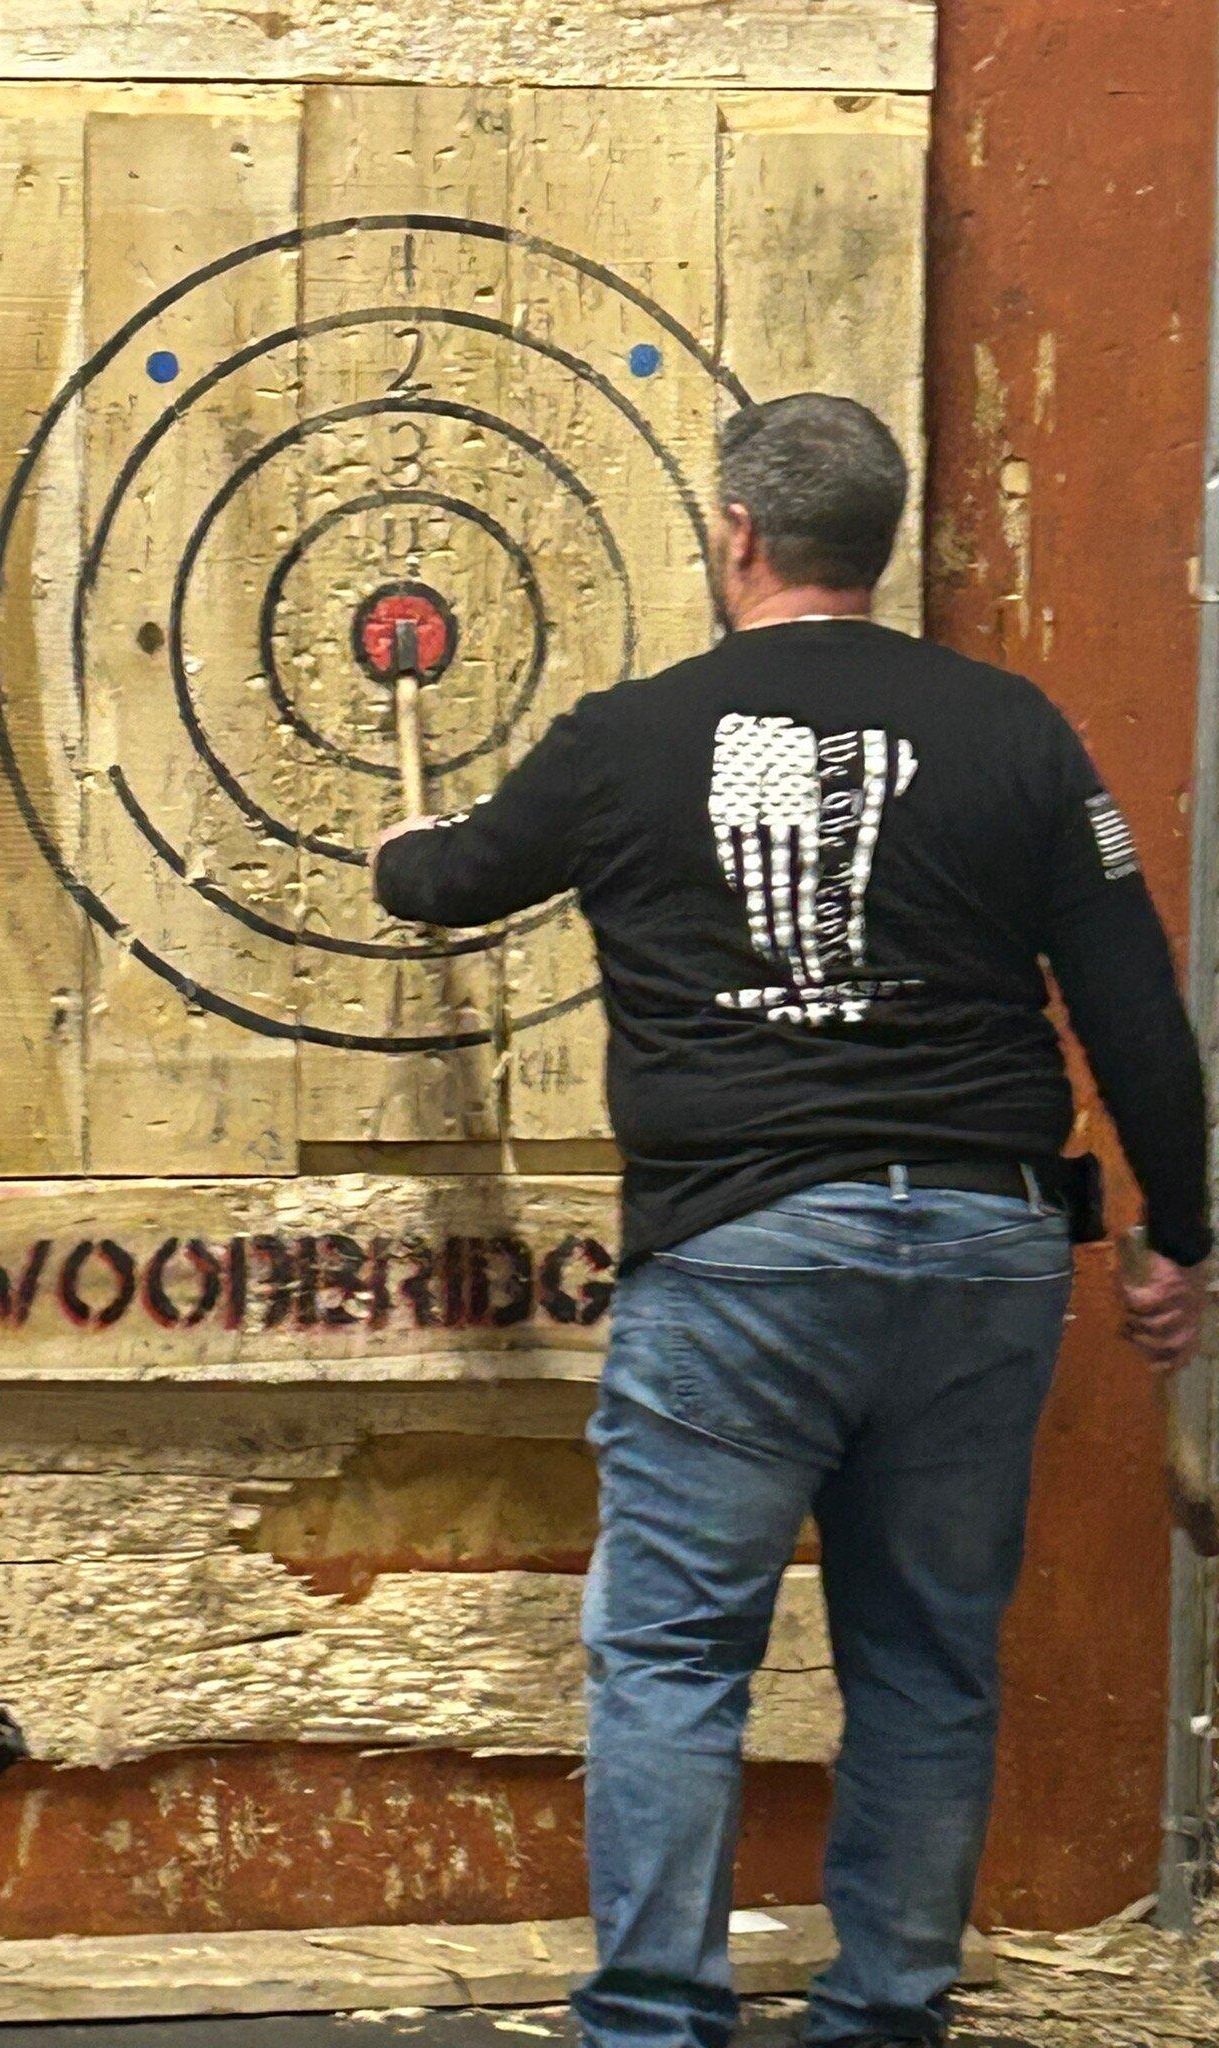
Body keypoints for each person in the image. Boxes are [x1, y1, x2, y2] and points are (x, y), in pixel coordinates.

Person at [371, 393, 1211, 2048]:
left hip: (743, 1252)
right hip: (982, 1247)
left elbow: (449, 883)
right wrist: (1177, 1237)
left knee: (677, 1653)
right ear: (880, 543)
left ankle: (655, 2024)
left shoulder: (629, 733)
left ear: (738, 535)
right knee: (929, 1657)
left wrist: (407, 845)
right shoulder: (1016, 728)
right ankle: (886, 2013)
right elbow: (1138, 1011)